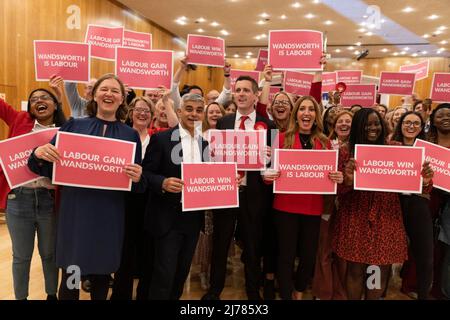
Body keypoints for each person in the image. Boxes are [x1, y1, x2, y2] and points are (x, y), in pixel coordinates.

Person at [28, 74, 143, 300]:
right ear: (94, 95)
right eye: (104, 89)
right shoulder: (74, 125)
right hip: (76, 214)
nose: (109, 94)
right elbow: (45, 166)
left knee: (101, 277)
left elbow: (136, 184)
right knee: (72, 275)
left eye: (115, 91)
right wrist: (39, 153)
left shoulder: (130, 135)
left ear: (122, 99)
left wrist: (138, 177)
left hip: (109, 216)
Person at [263, 96, 343, 300]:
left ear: (316, 115)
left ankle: (299, 290)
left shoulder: (325, 143)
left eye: (311, 109)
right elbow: (267, 175)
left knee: (308, 258)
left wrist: (337, 177)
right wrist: (267, 175)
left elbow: (330, 175)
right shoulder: (280, 139)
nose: (306, 113)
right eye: (302, 109)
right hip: (285, 207)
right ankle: (288, 296)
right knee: (286, 257)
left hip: (312, 208)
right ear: (296, 114)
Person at [202, 76, 275, 300]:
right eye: (238, 90)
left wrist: (270, 160)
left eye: (246, 90)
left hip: (254, 195)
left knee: (253, 245)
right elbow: (214, 159)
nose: (241, 94)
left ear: (255, 95)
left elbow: (272, 169)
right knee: (221, 243)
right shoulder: (223, 122)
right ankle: (215, 290)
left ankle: (253, 291)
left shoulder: (268, 125)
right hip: (227, 193)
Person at [332, 108, 409, 300]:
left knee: (377, 270)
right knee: (355, 270)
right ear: (358, 127)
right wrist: (348, 182)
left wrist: (425, 180)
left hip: (385, 216)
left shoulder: (396, 148)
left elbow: (416, 185)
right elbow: (337, 191)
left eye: (376, 123)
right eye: (367, 124)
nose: (372, 128)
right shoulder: (345, 152)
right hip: (355, 215)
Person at [1, 89, 66, 300]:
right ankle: (21, 297)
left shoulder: (66, 130)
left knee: (49, 254)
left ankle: (51, 295)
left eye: (44, 97)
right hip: (19, 199)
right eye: (33, 99)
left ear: (56, 104)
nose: (38, 101)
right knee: (21, 256)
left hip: (49, 200)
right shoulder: (19, 119)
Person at [142, 93, 209, 300]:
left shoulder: (205, 144)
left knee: (181, 274)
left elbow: (210, 179)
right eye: (189, 109)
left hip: (192, 218)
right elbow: (145, 174)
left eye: (199, 110)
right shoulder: (161, 139)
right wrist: (162, 182)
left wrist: (227, 182)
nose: (194, 114)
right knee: (164, 275)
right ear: (179, 111)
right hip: (167, 218)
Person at [111, 97, 153, 300]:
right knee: (124, 251)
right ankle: (120, 295)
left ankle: (144, 294)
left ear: (152, 116)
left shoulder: (157, 139)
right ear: (130, 112)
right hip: (125, 201)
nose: (142, 113)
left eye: (147, 111)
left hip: (150, 203)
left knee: (147, 251)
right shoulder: (122, 136)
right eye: (138, 109)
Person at [391, 111, 434, 299]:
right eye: (407, 122)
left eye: (416, 123)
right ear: (400, 125)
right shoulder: (389, 146)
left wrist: (426, 181)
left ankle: (424, 294)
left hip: (417, 204)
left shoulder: (429, 150)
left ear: (421, 127)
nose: (411, 126)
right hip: (392, 203)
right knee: (383, 252)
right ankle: (379, 292)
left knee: (425, 255)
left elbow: (432, 185)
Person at [312, 110, 353, 300]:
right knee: (324, 251)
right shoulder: (324, 145)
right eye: (340, 121)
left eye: (348, 121)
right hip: (327, 205)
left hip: (350, 208)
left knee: (343, 254)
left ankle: (340, 293)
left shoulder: (360, 149)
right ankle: (323, 292)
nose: (344, 124)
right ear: (334, 125)